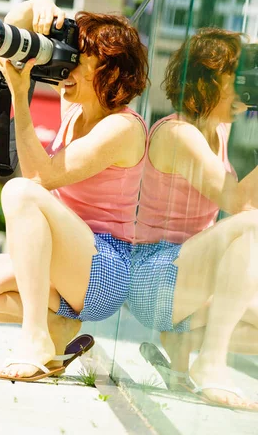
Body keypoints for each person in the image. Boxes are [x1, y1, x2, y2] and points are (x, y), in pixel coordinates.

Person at [0, 0, 149, 382]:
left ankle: (35, 337)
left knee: (20, 192)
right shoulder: (75, 106)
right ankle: (58, 327)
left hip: (104, 268)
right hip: (65, 264)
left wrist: (21, 99)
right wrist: (36, 7)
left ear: (106, 68)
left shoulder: (123, 127)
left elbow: (40, 179)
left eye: (78, 59)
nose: (66, 66)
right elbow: (10, 38)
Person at [128, 28, 258, 410]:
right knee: (250, 224)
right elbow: (238, 203)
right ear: (208, 78)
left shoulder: (218, 129)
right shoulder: (178, 134)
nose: (246, 88)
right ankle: (210, 364)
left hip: (189, 279)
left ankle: (183, 347)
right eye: (240, 77)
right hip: (154, 276)